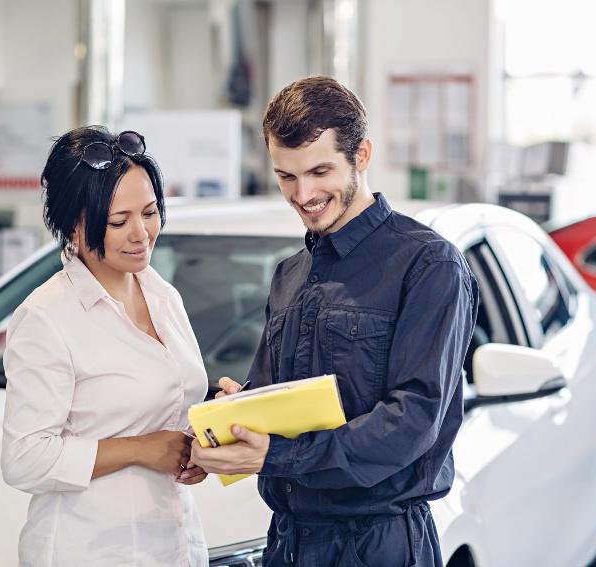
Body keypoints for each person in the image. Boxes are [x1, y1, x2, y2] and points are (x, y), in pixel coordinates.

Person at [191, 76, 479, 566]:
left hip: (378, 543)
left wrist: (277, 456)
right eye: (286, 177)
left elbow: (412, 422)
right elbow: (276, 397)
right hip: (288, 541)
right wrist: (236, 408)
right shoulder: (289, 274)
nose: (303, 194)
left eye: (320, 171)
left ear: (361, 155)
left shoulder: (429, 265)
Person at [0, 127, 209, 566]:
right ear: (74, 224)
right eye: (118, 222)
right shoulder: (47, 317)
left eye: (150, 213)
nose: (141, 234)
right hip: (90, 549)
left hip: (174, 543)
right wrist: (140, 448)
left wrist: (202, 439)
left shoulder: (163, 295)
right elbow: (24, 459)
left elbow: (169, 409)